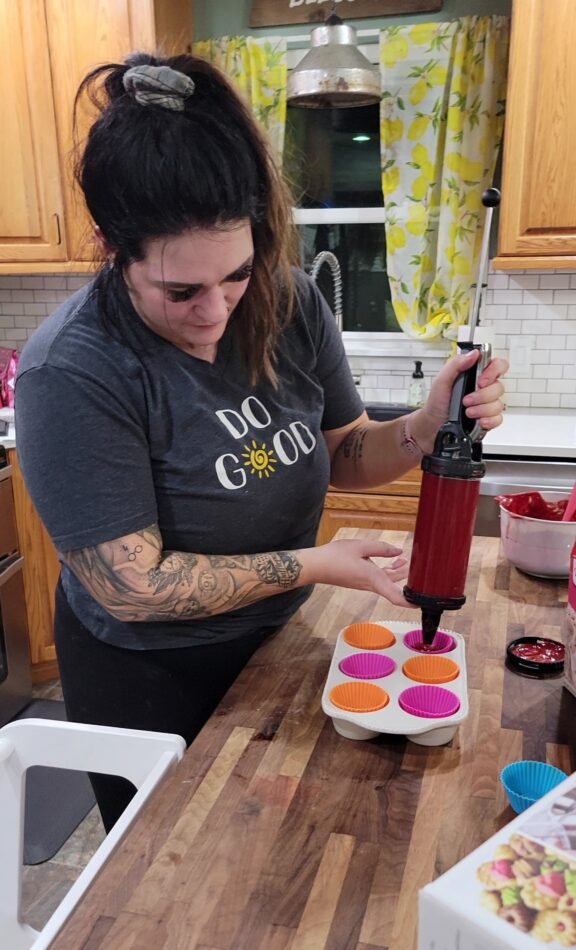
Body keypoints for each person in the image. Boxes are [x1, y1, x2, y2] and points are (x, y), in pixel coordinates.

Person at [15, 53, 507, 831]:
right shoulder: (74, 370)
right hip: (149, 678)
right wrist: (315, 564)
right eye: (182, 291)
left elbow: (345, 450)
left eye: (236, 274)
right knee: (165, 889)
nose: (217, 310)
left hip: (276, 646)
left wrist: (422, 422)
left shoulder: (287, 298)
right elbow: (131, 587)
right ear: (115, 249)